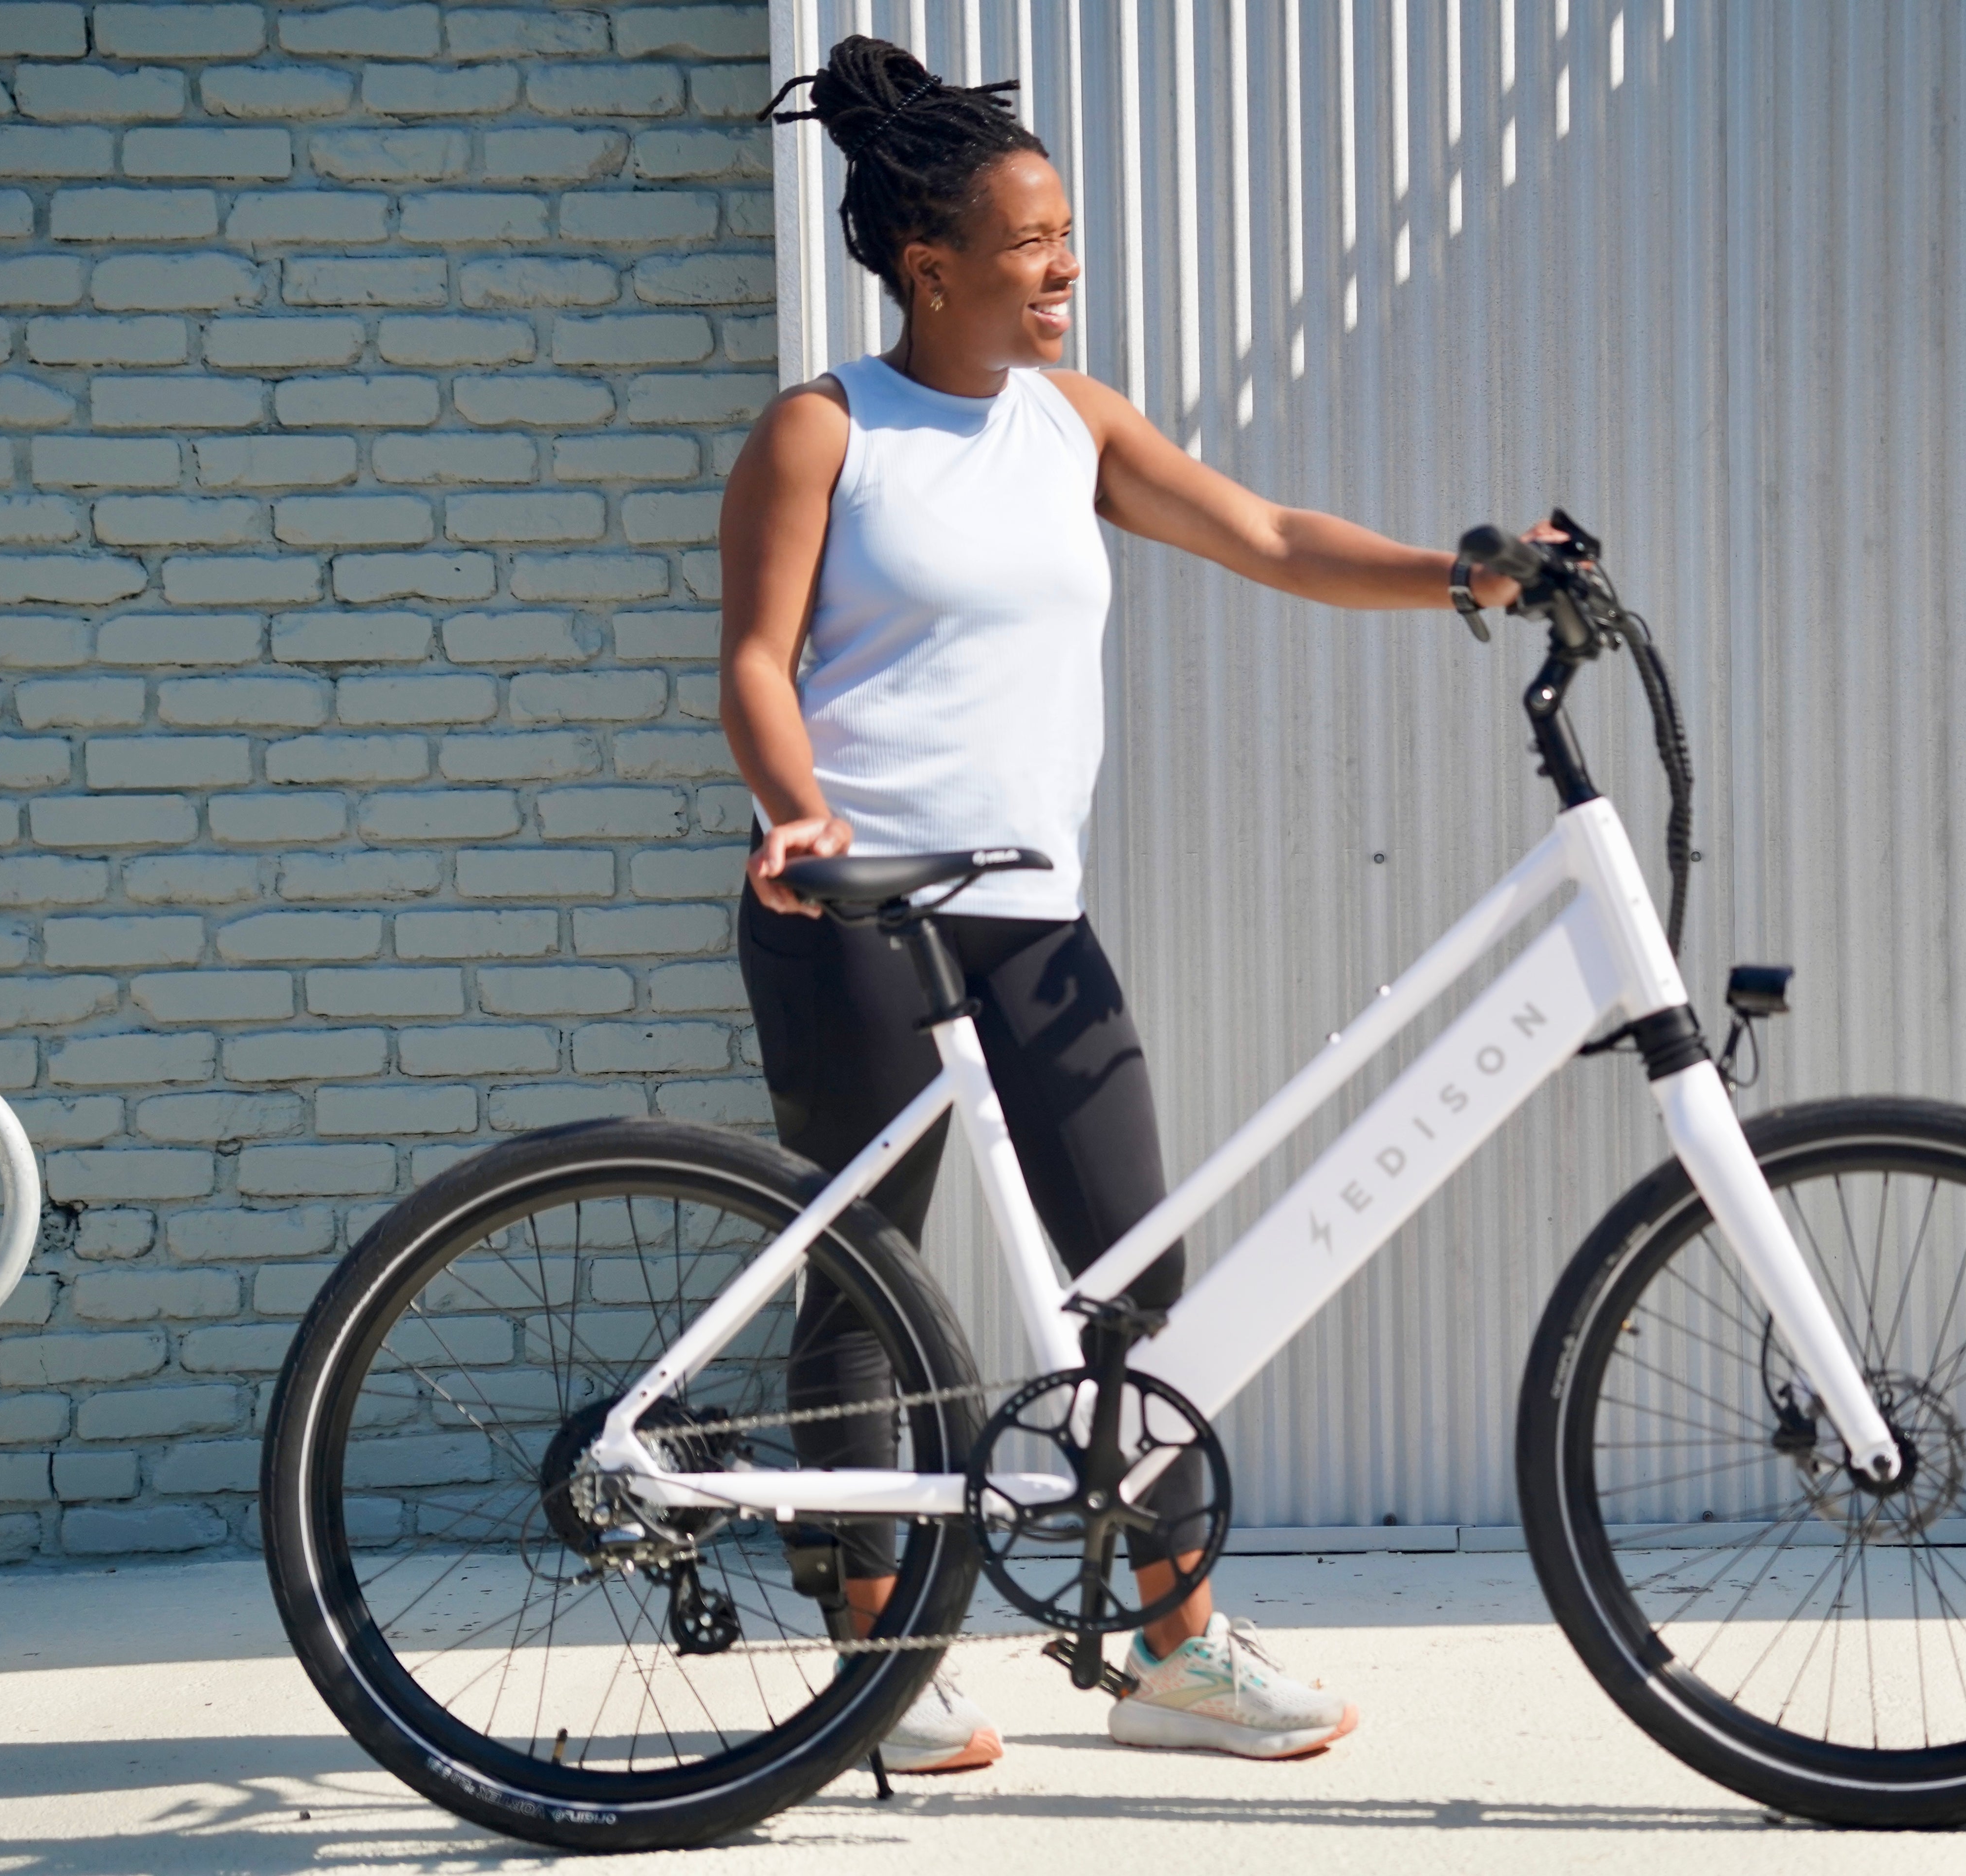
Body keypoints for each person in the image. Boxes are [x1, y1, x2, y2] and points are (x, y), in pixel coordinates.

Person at [719, 35, 1529, 1770]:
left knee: (1136, 1276)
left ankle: (1174, 1648)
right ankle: (880, 1672)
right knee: (867, 1284)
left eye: (1068, 234)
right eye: (1032, 242)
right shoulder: (826, 430)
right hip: (854, 908)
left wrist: (1465, 577)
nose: (1065, 266)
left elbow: (1271, 537)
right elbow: (756, 663)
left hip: (1032, 912)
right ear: (931, 265)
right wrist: (798, 811)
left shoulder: (1070, 425)